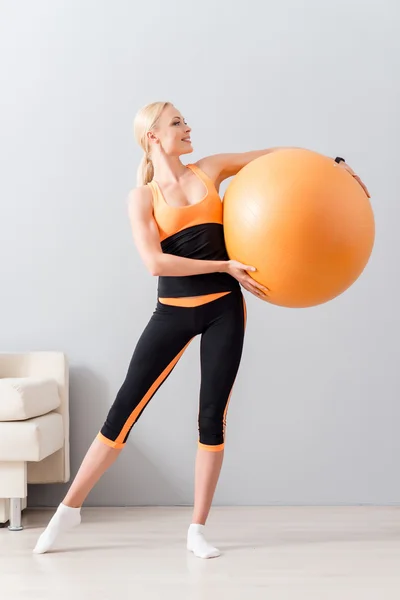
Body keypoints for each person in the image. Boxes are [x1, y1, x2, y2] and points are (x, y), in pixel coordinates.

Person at [33, 102, 369, 558]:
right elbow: (155, 263)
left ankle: (196, 529)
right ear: (153, 136)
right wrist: (224, 265)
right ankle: (67, 512)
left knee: (212, 418)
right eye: (177, 122)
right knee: (121, 416)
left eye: (185, 120)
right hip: (172, 312)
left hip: (223, 311)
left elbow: (276, 159)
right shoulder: (142, 197)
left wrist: (333, 165)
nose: (188, 127)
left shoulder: (209, 170)